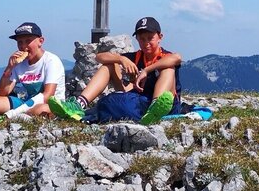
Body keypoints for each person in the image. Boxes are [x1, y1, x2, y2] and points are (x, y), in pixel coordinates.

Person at [49, 16, 182, 125]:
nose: (146, 42)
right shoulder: (136, 57)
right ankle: (79, 104)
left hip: (167, 104)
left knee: (168, 68)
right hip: (140, 99)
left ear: (160, 37)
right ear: (137, 39)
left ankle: (156, 107)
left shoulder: (165, 56)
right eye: (142, 39)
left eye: (150, 38)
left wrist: (146, 70)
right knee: (109, 65)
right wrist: (121, 59)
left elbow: (177, 58)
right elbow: (99, 57)